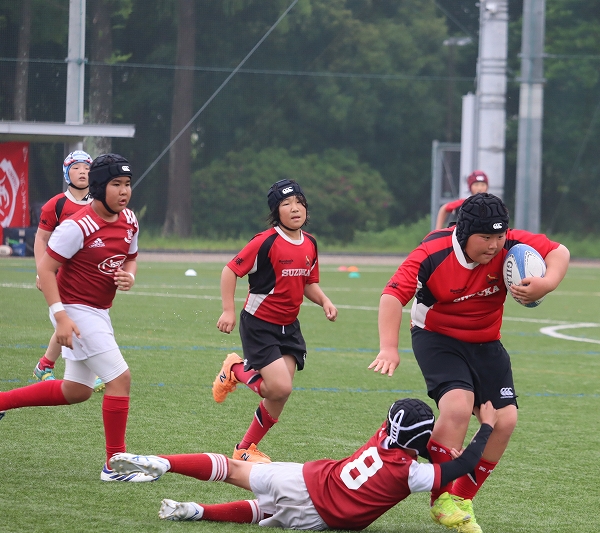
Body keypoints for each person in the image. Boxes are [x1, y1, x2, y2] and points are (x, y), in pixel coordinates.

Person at [369, 193, 570, 533]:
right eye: (486, 237)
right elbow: (392, 295)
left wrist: (546, 285)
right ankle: (440, 499)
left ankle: (462, 498)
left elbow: (559, 251)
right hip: (437, 338)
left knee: (505, 420)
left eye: (499, 236)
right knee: (458, 408)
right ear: (464, 233)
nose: (494, 245)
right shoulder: (432, 252)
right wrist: (389, 348)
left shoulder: (510, 245)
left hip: (486, 342)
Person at [108, 398, 497, 531]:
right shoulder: (412, 473)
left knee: (232, 469)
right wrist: (488, 425)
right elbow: (465, 463)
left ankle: (161, 462)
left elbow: (411, 440)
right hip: (321, 516)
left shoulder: (383, 434)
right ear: (421, 438)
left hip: (306, 477)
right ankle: (196, 511)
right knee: (263, 512)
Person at [0, 154, 157, 482]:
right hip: (74, 309)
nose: (124, 191)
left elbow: (131, 258)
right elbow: (46, 269)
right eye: (116, 184)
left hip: (99, 311)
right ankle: (115, 466)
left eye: (128, 184)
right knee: (120, 379)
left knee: (77, 390)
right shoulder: (77, 226)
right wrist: (60, 317)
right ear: (99, 187)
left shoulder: (130, 219)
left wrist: (129, 276)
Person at [214, 179, 338, 464]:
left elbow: (308, 283)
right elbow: (230, 271)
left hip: (289, 327)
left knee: (278, 394)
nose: (295, 208)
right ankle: (234, 368)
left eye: (299, 202)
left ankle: (245, 449)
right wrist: (228, 310)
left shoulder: (310, 243)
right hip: (260, 324)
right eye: (286, 204)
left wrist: (324, 301)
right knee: (280, 387)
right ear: (275, 211)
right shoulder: (265, 242)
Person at [32, 150, 104, 393]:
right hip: (61, 275)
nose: (82, 172)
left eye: (87, 168)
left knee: (76, 322)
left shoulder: (99, 203)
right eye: (76, 167)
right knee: (77, 321)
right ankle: (92, 371)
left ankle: (44, 365)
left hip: (89, 275)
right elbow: (41, 239)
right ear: (66, 173)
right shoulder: (56, 204)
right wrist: (41, 271)